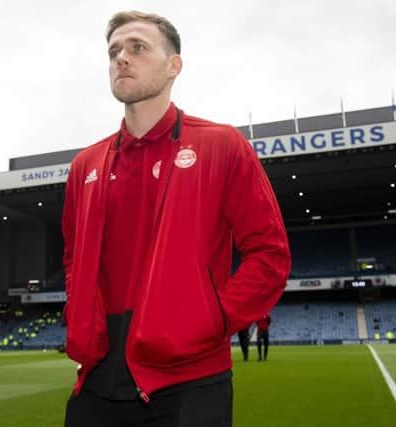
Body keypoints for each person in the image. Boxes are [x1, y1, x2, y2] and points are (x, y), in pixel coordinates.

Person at [62, 10, 291, 427]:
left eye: (137, 48)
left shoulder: (222, 145)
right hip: (96, 379)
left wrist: (210, 319)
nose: (121, 59)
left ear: (174, 66)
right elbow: (72, 258)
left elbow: (269, 254)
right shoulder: (84, 166)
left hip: (191, 382)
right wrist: (79, 316)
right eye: (114, 51)